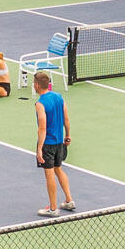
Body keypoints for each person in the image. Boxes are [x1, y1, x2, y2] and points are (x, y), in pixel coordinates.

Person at [33, 71, 75, 216]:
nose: (33, 85)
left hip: (48, 144)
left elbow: (42, 127)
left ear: (37, 85)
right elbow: (66, 119)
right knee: (58, 169)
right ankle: (69, 200)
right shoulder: (59, 97)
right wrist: (68, 135)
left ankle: (52, 208)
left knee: (49, 174)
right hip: (59, 143)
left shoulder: (40, 104)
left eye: (34, 83)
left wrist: (39, 148)